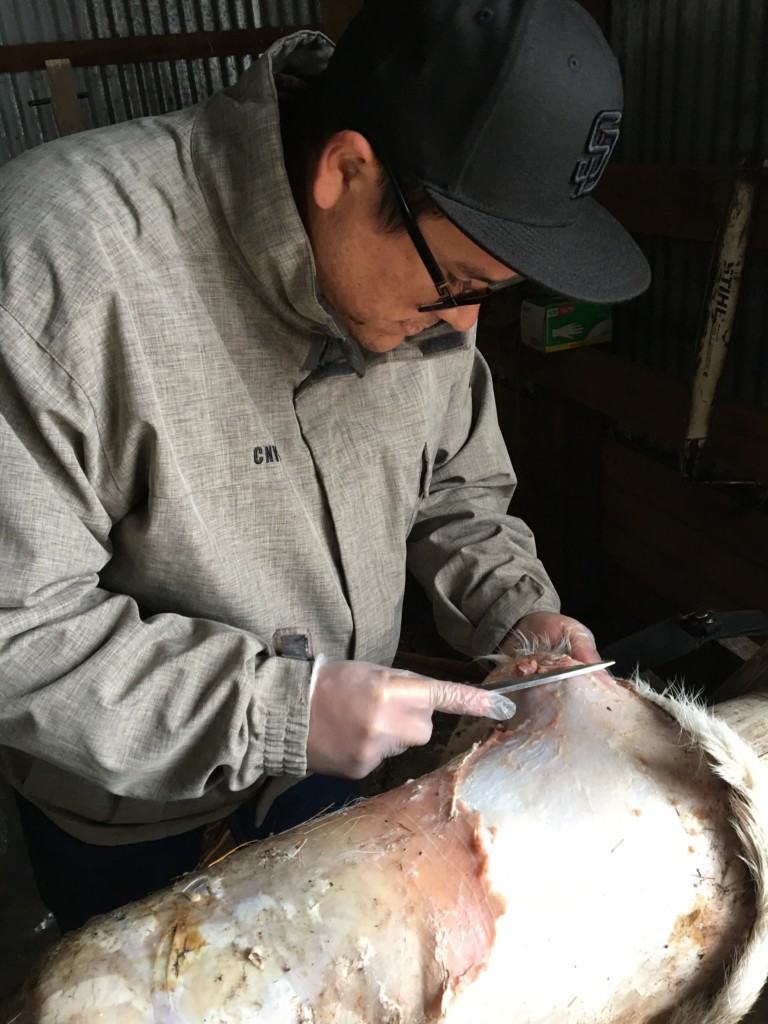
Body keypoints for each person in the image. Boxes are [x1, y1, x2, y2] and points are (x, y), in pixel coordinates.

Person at [0, 0, 649, 932]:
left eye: (491, 295)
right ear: (347, 169)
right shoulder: (55, 264)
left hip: (328, 775)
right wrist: (278, 711)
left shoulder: (428, 283)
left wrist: (518, 608)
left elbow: (459, 492)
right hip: (124, 815)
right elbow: (18, 629)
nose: (464, 329)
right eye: (457, 286)